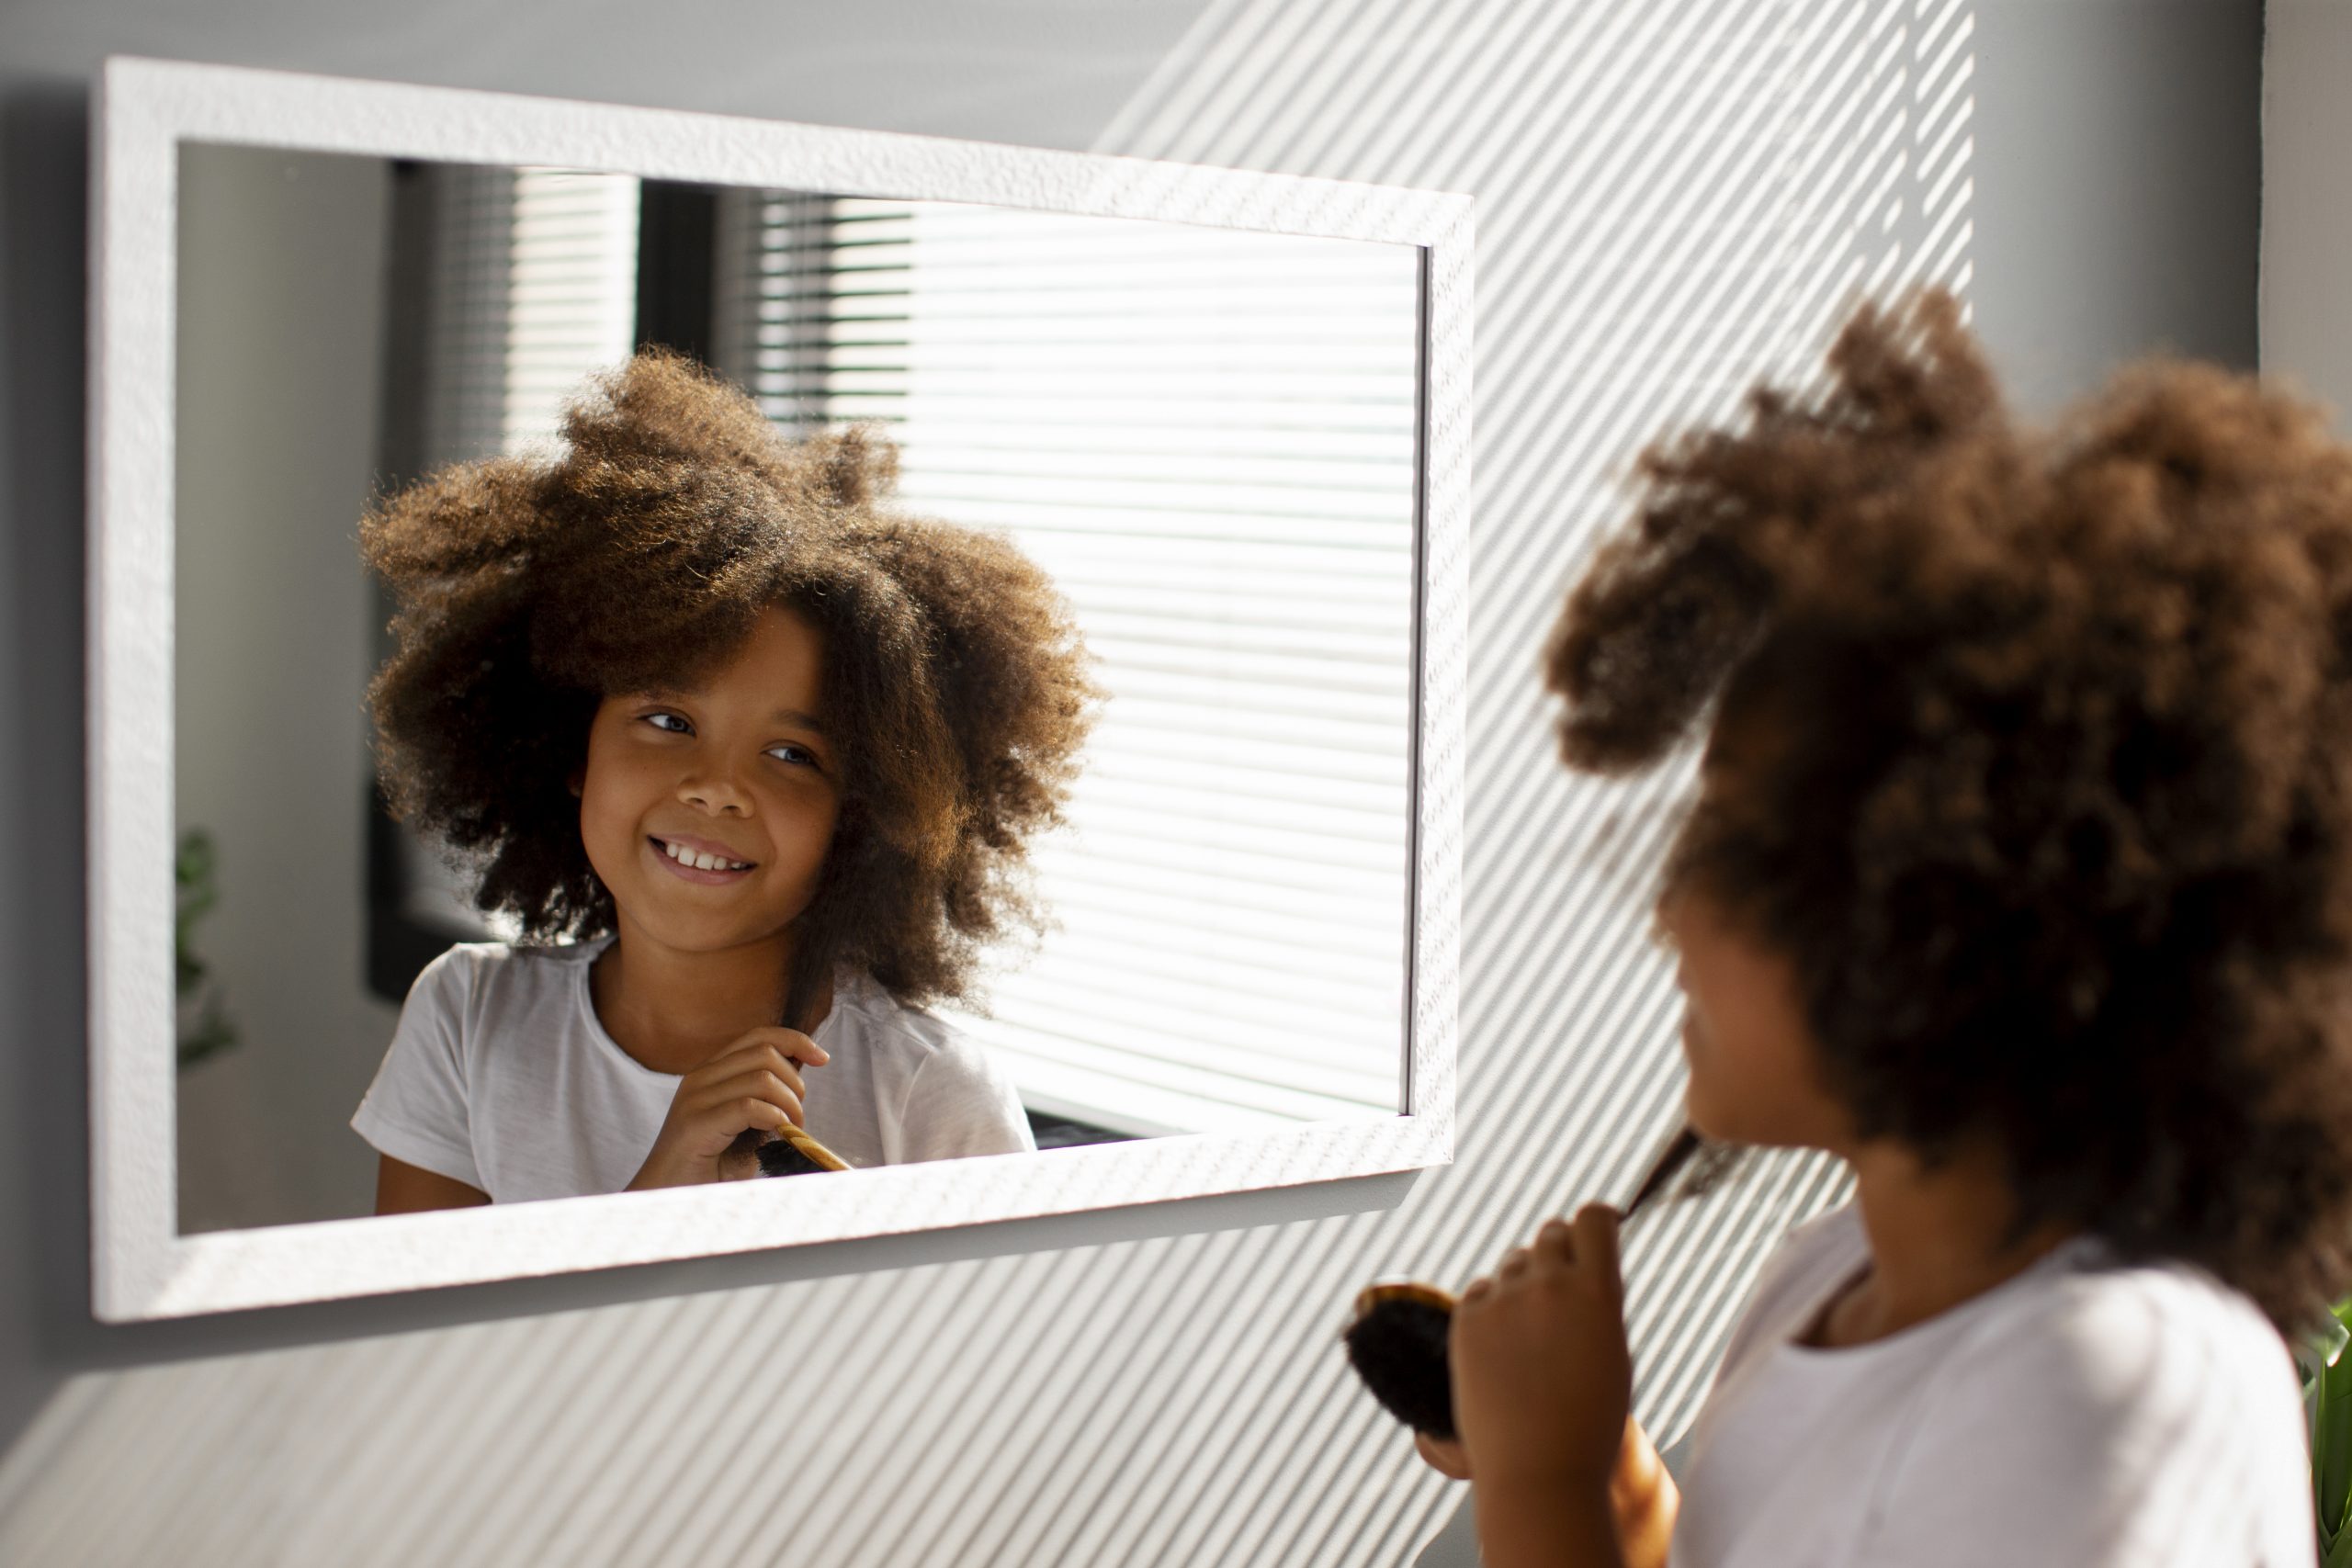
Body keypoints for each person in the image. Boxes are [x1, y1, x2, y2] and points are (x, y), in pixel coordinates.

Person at [1425, 291, 2341, 1565]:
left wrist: (1545, 1486)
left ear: (1961, 903)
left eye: (1744, 845)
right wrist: (1615, 1482)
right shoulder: (1833, 1275)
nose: (1669, 909)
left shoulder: (2107, 1380)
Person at [350, 350, 1097, 1213]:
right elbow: (439, 1351)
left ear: (858, 817)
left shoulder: (931, 1100)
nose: (717, 788)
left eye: (792, 755)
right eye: (669, 722)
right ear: (568, 743)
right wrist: (661, 1192)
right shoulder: (468, 1018)